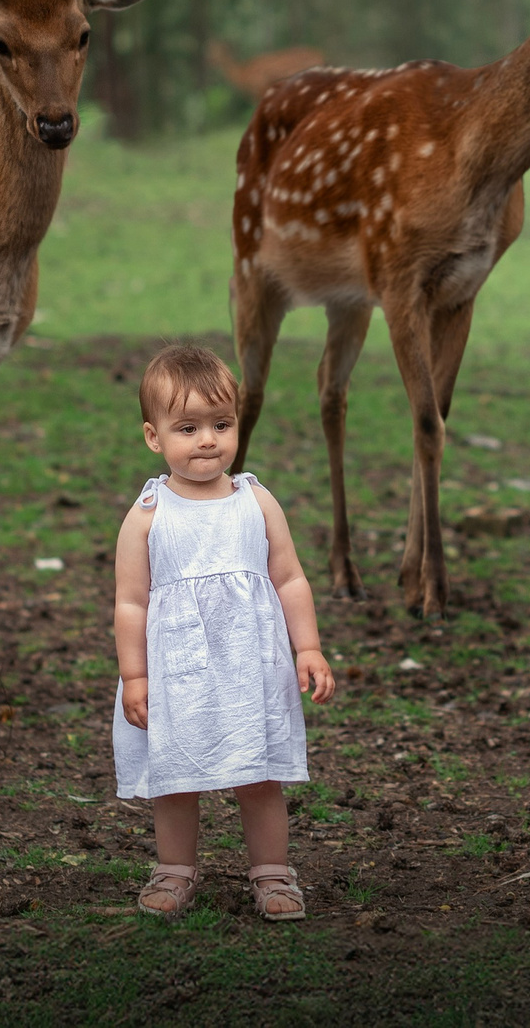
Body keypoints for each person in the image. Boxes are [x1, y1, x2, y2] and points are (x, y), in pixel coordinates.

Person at [114, 343, 337, 920]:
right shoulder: (147, 515)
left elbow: (288, 578)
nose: (208, 440)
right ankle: (175, 869)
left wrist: (307, 646)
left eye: (221, 424)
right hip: (178, 670)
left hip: (248, 666)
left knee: (258, 773)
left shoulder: (256, 501)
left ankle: (271, 872)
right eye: (187, 427)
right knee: (175, 775)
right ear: (153, 437)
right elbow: (131, 604)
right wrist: (134, 675)